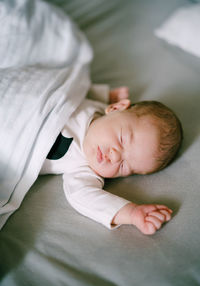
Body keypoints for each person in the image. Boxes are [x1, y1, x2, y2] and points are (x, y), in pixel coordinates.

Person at [40, 84, 182, 235]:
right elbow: (71, 87)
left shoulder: (85, 167)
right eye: (122, 139)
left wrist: (131, 213)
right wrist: (103, 94)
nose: (114, 157)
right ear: (115, 108)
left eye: (124, 166)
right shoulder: (93, 105)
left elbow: (84, 196)